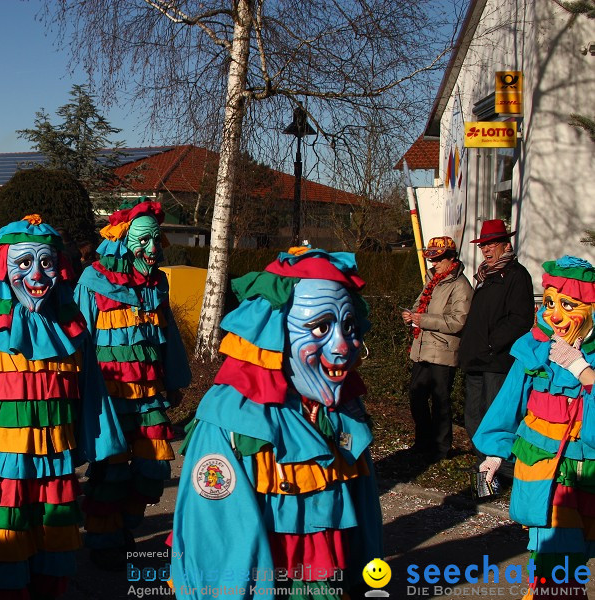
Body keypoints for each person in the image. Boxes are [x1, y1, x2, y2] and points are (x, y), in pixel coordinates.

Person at [170, 247, 382, 598]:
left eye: (349, 326)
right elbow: (217, 543)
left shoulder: (344, 411)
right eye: (320, 327)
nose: (343, 346)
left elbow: (366, 521)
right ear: (273, 332)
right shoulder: (230, 422)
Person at [0, 215, 127, 599]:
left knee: (53, 546)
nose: (37, 275)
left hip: (56, 463)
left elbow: (92, 394)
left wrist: (100, 450)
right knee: (4, 549)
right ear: (2, 267)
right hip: (3, 469)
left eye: (46, 263)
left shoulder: (74, 330)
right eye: (23, 263)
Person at [73, 199, 191, 570]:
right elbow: (80, 338)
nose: (152, 249)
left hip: (148, 393)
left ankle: (124, 524)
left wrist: (173, 380)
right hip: (108, 396)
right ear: (122, 241)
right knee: (113, 469)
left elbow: (167, 332)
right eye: (143, 241)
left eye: (156, 240)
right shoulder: (92, 279)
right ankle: (105, 539)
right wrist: (77, 392)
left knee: (154, 468)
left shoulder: (158, 283)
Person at [474, 255, 595, 599]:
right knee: (556, 563)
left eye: (568, 304)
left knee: (574, 560)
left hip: (587, 474)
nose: (554, 314)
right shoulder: (535, 351)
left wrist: (584, 372)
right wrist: (494, 454)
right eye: (551, 302)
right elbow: (509, 402)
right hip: (542, 470)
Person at [458, 219, 534, 476]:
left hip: (497, 361)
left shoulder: (516, 275)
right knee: (473, 417)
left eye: (491, 244)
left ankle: (506, 469)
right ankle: (485, 466)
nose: (486, 250)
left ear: (505, 245)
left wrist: (493, 344)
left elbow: (520, 319)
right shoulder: (484, 276)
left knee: (496, 418)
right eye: (483, 246)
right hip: (476, 359)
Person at [401, 236, 473, 463]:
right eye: (432, 259)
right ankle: (423, 441)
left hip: (443, 351)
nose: (434, 263)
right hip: (422, 348)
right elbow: (419, 304)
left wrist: (422, 319)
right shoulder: (432, 280)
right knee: (416, 395)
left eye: (438, 259)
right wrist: (410, 315)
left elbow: (457, 321)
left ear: (451, 258)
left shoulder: (460, 285)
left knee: (441, 399)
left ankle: (441, 447)